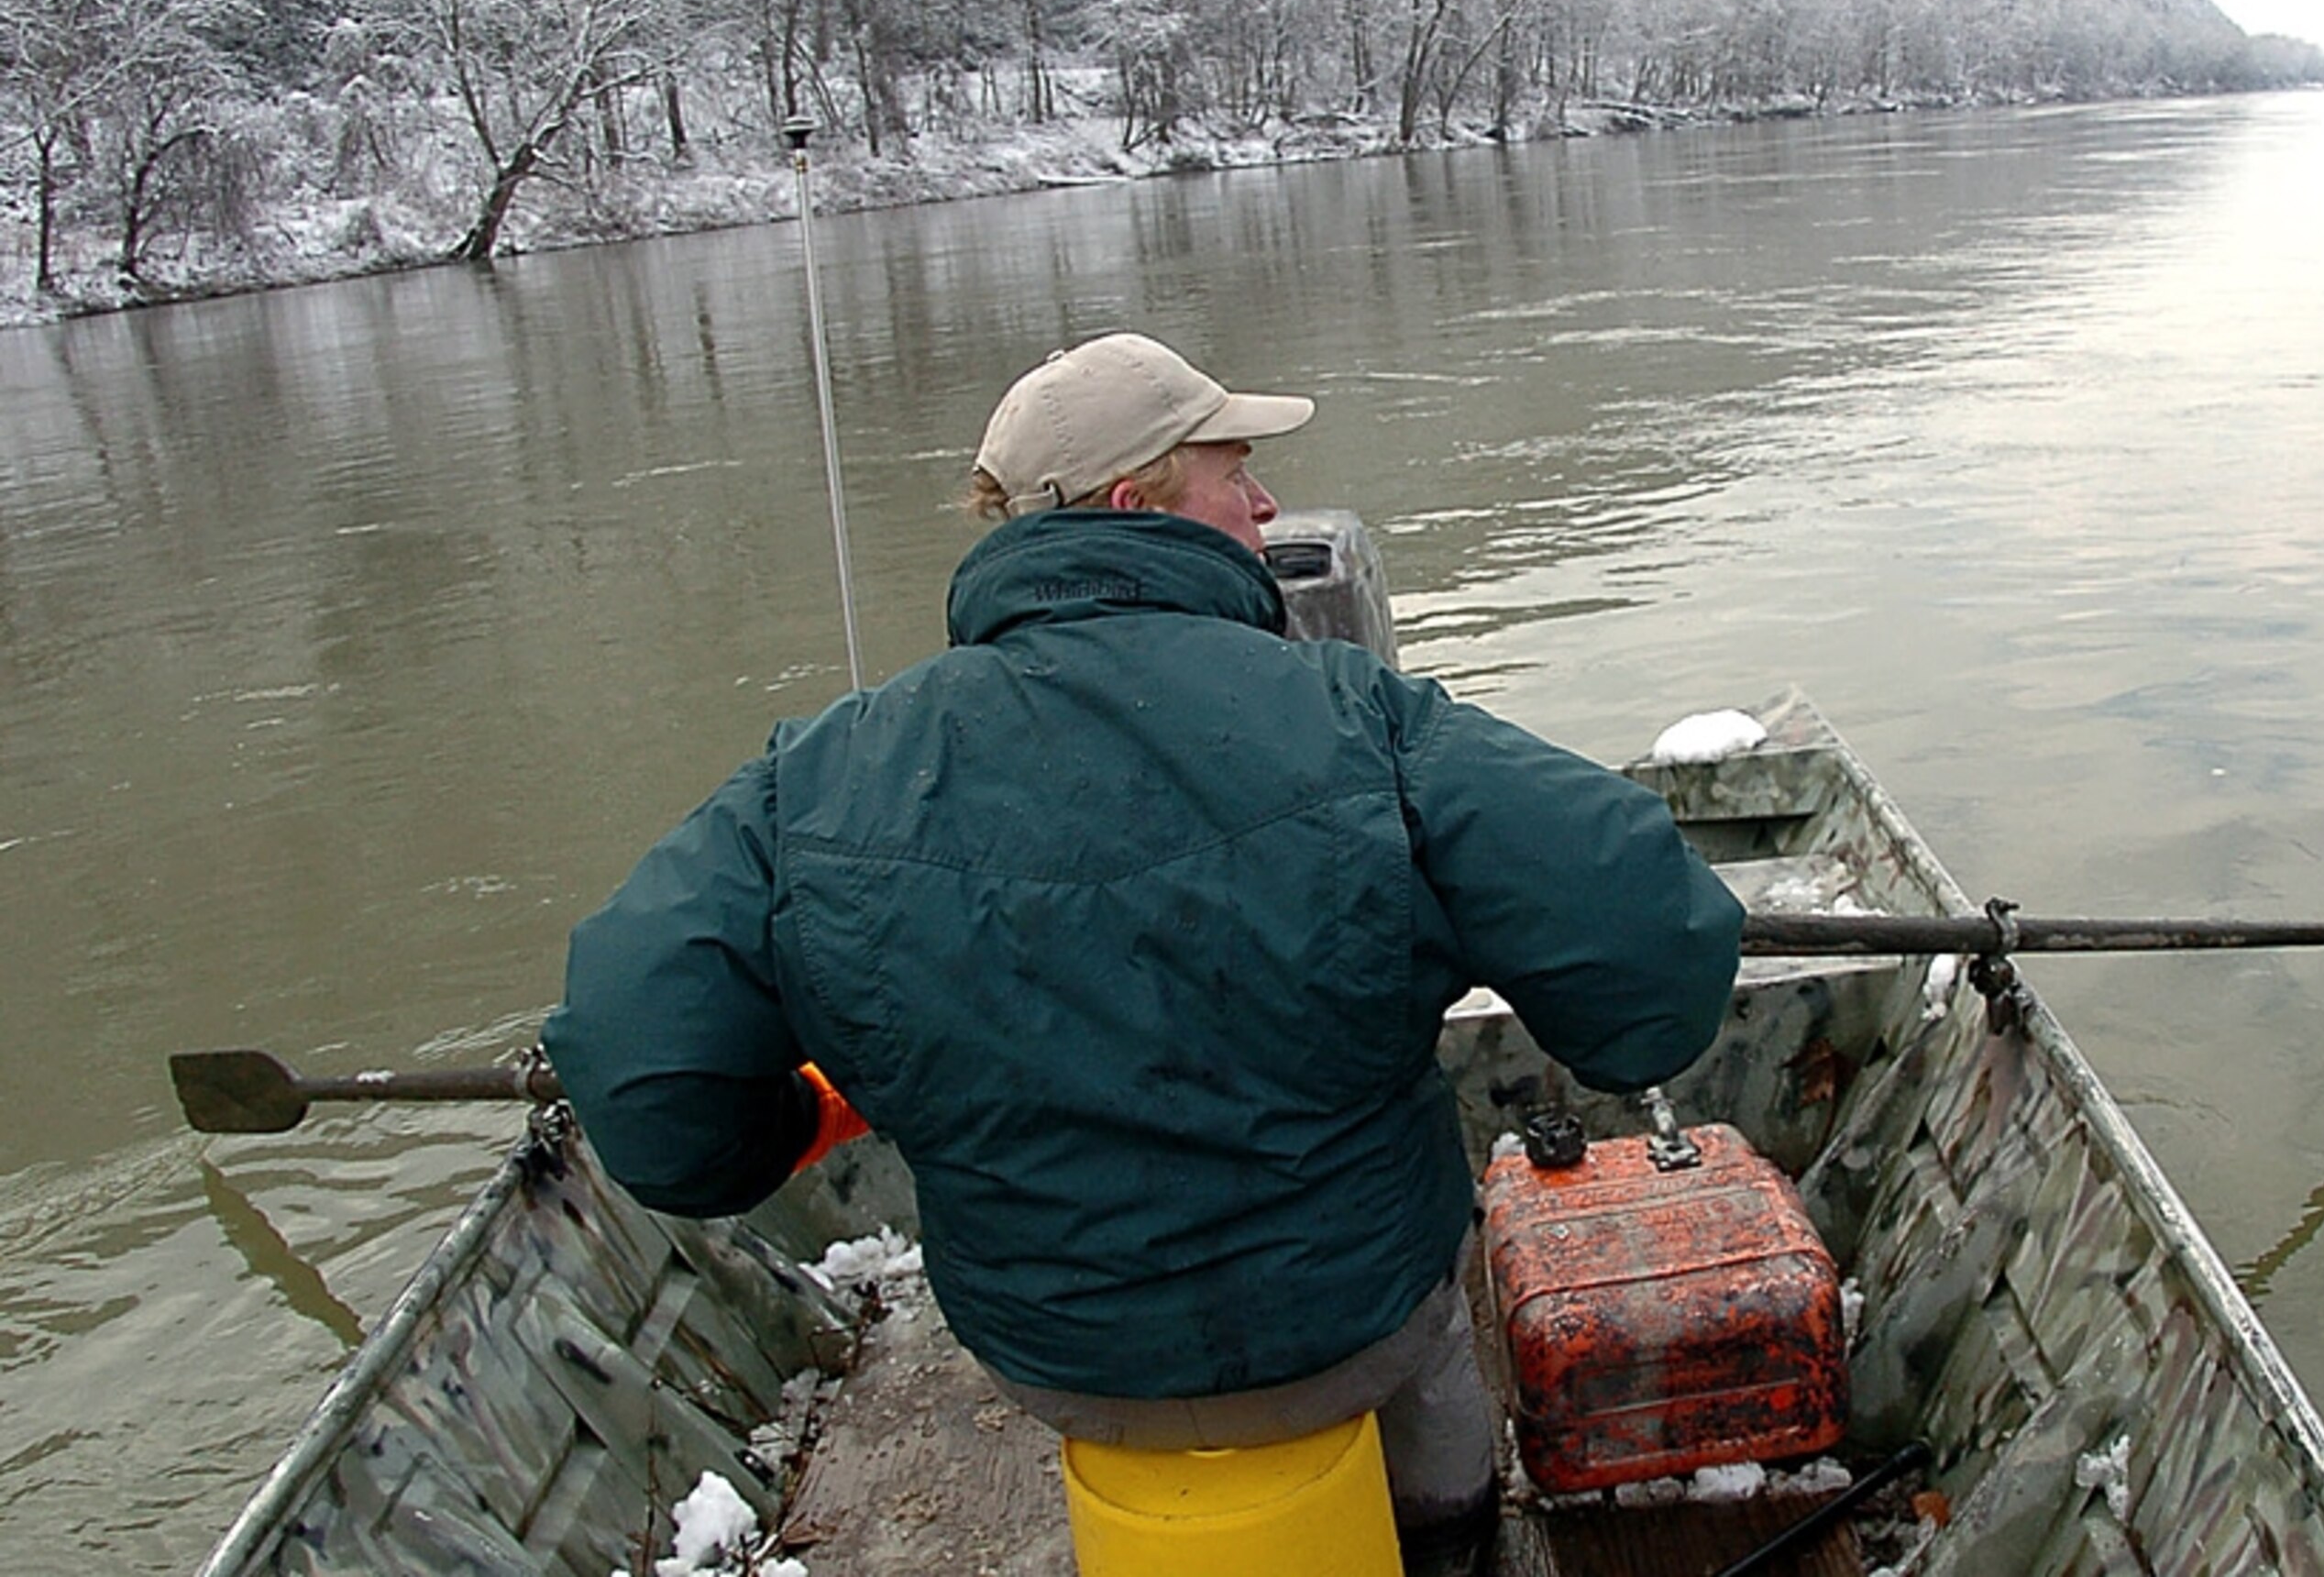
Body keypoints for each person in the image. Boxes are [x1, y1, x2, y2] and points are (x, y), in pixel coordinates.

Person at [543, 332, 1745, 1570]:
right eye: (1237, 471)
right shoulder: (1359, 718)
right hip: (1355, 1321)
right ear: (1138, 502)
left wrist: (778, 1131)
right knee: (1431, 1356)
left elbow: (642, 1071)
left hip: (1058, 1356)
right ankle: (1451, 1541)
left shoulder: (818, 780)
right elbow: (1664, 953)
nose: (1269, 502)